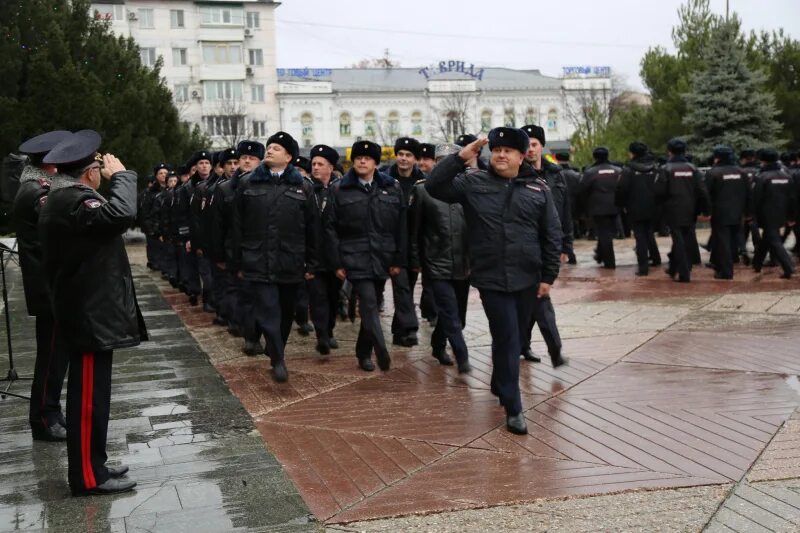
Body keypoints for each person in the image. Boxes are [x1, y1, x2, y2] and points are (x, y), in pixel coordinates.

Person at [426, 128, 562, 435]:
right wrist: (461, 156)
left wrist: (549, 277)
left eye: (508, 150)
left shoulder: (538, 189)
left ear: (521, 155)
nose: (501, 155)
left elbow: (551, 234)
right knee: (508, 337)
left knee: (511, 337)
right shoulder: (474, 183)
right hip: (491, 277)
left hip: (528, 277)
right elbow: (435, 186)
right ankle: (514, 408)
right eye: (496, 149)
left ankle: (501, 382)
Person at [39, 130, 147, 495]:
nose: (103, 171)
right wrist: (124, 176)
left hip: (88, 311)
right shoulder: (73, 200)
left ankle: (95, 464)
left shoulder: (66, 197)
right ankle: (87, 476)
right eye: (99, 167)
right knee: (87, 401)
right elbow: (122, 213)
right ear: (89, 173)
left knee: (96, 397)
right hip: (87, 314)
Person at [231, 132, 317, 382]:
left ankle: (276, 346)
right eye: (269, 147)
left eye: (276, 148)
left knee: (286, 311)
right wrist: (237, 260)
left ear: (289, 157)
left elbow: (313, 229)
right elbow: (237, 226)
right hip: (257, 260)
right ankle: (278, 360)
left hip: (290, 260)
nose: (269, 151)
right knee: (268, 309)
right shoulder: (248, 184)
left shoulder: (303, 187)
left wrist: (312, 262)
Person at [325, 140, 407, 372]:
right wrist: (337, 262)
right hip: (354, 256)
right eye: (359, 157)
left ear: (375, 163)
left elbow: (400, 226)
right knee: (369, 303)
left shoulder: (391, 187)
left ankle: (363, 352)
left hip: (382, 256)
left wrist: (397, 259)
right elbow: (330, 228)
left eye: (368, 158)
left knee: (373, 301)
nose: (362, 161)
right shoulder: (339, 189)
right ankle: (380, 349)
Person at [14, 130, 72, 442]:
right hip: (48, 287)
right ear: (50, 163)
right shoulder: (38, 192)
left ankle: (51, 410)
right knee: (50, 355)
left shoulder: (36, 187)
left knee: (55, 354)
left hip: (49, 285)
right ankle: (43, 417)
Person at [409, 143, 471, 373]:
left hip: (464, 264)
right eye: (442, 160)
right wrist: (415, 262)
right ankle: (462, 356)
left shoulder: (468, 187)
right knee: (450, 314)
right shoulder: (423, 190)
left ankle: (437, 344)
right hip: (437, 263)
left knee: (458, 317)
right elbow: (413, 231)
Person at [519, 124, 570, 367]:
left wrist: (565, 246)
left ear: (541, 146)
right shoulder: (515, 174)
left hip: (549, 243)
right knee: (540, 299)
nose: (530, 149)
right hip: (525, 246)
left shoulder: (555, 174)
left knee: (537, 298)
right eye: (526, 144)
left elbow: (565, 211)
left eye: (534, 144)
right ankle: (553, 351)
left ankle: (525, 345)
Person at [211, 140, 264, 342]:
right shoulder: (225, 189)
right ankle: (240, 327)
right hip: (232, 249)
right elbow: (217, 225)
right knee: (237, 291)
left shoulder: (266, 186)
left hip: (258, 250)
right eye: (244, 158)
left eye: (252, 158)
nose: (247, 161)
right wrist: (218, 253)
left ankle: (253, 331)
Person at [383, 136, 424, 344]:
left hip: (414, 243)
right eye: (400, 154)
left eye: (408, 155)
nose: (403, 158)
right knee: (401, 286)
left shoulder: (423, 183)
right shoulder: (385, 180)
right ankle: (410, 327)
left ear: (415, 159)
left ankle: (399, 331)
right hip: (390, 241)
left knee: (407, 284)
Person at [654, 138, 710, 282]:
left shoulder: (665, 169)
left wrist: (659, 210)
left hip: (672, 210)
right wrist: (706, 210)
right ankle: (674, 268)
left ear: (669, 151)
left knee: (678, 240)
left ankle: (684, 273)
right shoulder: (693, 169)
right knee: (684, 238)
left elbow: (659, 192)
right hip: (690, 209)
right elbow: (702, 190)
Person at [308, 144, 343, 355]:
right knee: (317, 297)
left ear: (331, 167)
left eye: (320, 164)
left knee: (333, 297)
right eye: (313, 164)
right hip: (314, 255)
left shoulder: (340, 190)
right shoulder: (306, 189)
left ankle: (329, 330)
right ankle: (321, 335)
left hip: (336, 256)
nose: (315, 168)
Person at [616, 142, 661, 276]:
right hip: (653, 206)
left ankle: (643, 267)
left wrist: (620, 205)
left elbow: (621, 189)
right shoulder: (655, 168)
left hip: (635, 207)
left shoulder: (628, 170)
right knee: (649, 232)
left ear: (633, 153)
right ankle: (656, 258)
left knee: (640, 236)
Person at [205, 148, 239, 326]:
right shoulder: (216, 189)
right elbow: (214, 224)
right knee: (224, 284)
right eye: (229, 163)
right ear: (222, 166)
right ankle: (226, 315)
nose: (233, 167)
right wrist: (217, 252)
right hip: (225, 246)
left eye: (236, 162)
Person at [751, 148, 796, 279]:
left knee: (774, 240)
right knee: (767, 238)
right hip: (782, 213)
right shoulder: (786, 176)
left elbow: (756, 198)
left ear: (762, 161)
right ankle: (757, 263)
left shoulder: (761, 176)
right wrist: (791, 216)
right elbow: (792, 198)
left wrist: (753, 215)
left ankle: (788, 267)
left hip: (766, 214)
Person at [705, 145, 748, 280]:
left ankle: (726, 272)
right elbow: (748, 193)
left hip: (720, 212)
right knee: (732, 240)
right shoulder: (741, 172)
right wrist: (749, 212)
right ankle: (719, 265)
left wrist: (706, 210)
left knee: (722, 242)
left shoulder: (713, 173)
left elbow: (706, 193)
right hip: (738, 211)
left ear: (717, 158)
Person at [580, 147, 621, 269]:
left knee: (604, 233)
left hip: (598, 207)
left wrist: (585, 207)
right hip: (615, 206)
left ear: (595, 157)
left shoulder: (590, 172)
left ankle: (610, 262)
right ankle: (600, 255)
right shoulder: (618, 171)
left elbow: (583, 190)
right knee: (606, 232)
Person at [553, 150, 582, 261]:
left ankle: (561, 252)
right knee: (570, 228)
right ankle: (570, 252)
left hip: (558, 206)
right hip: (573, 205)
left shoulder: (553, 174)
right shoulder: (576, 175)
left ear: (556, 158)